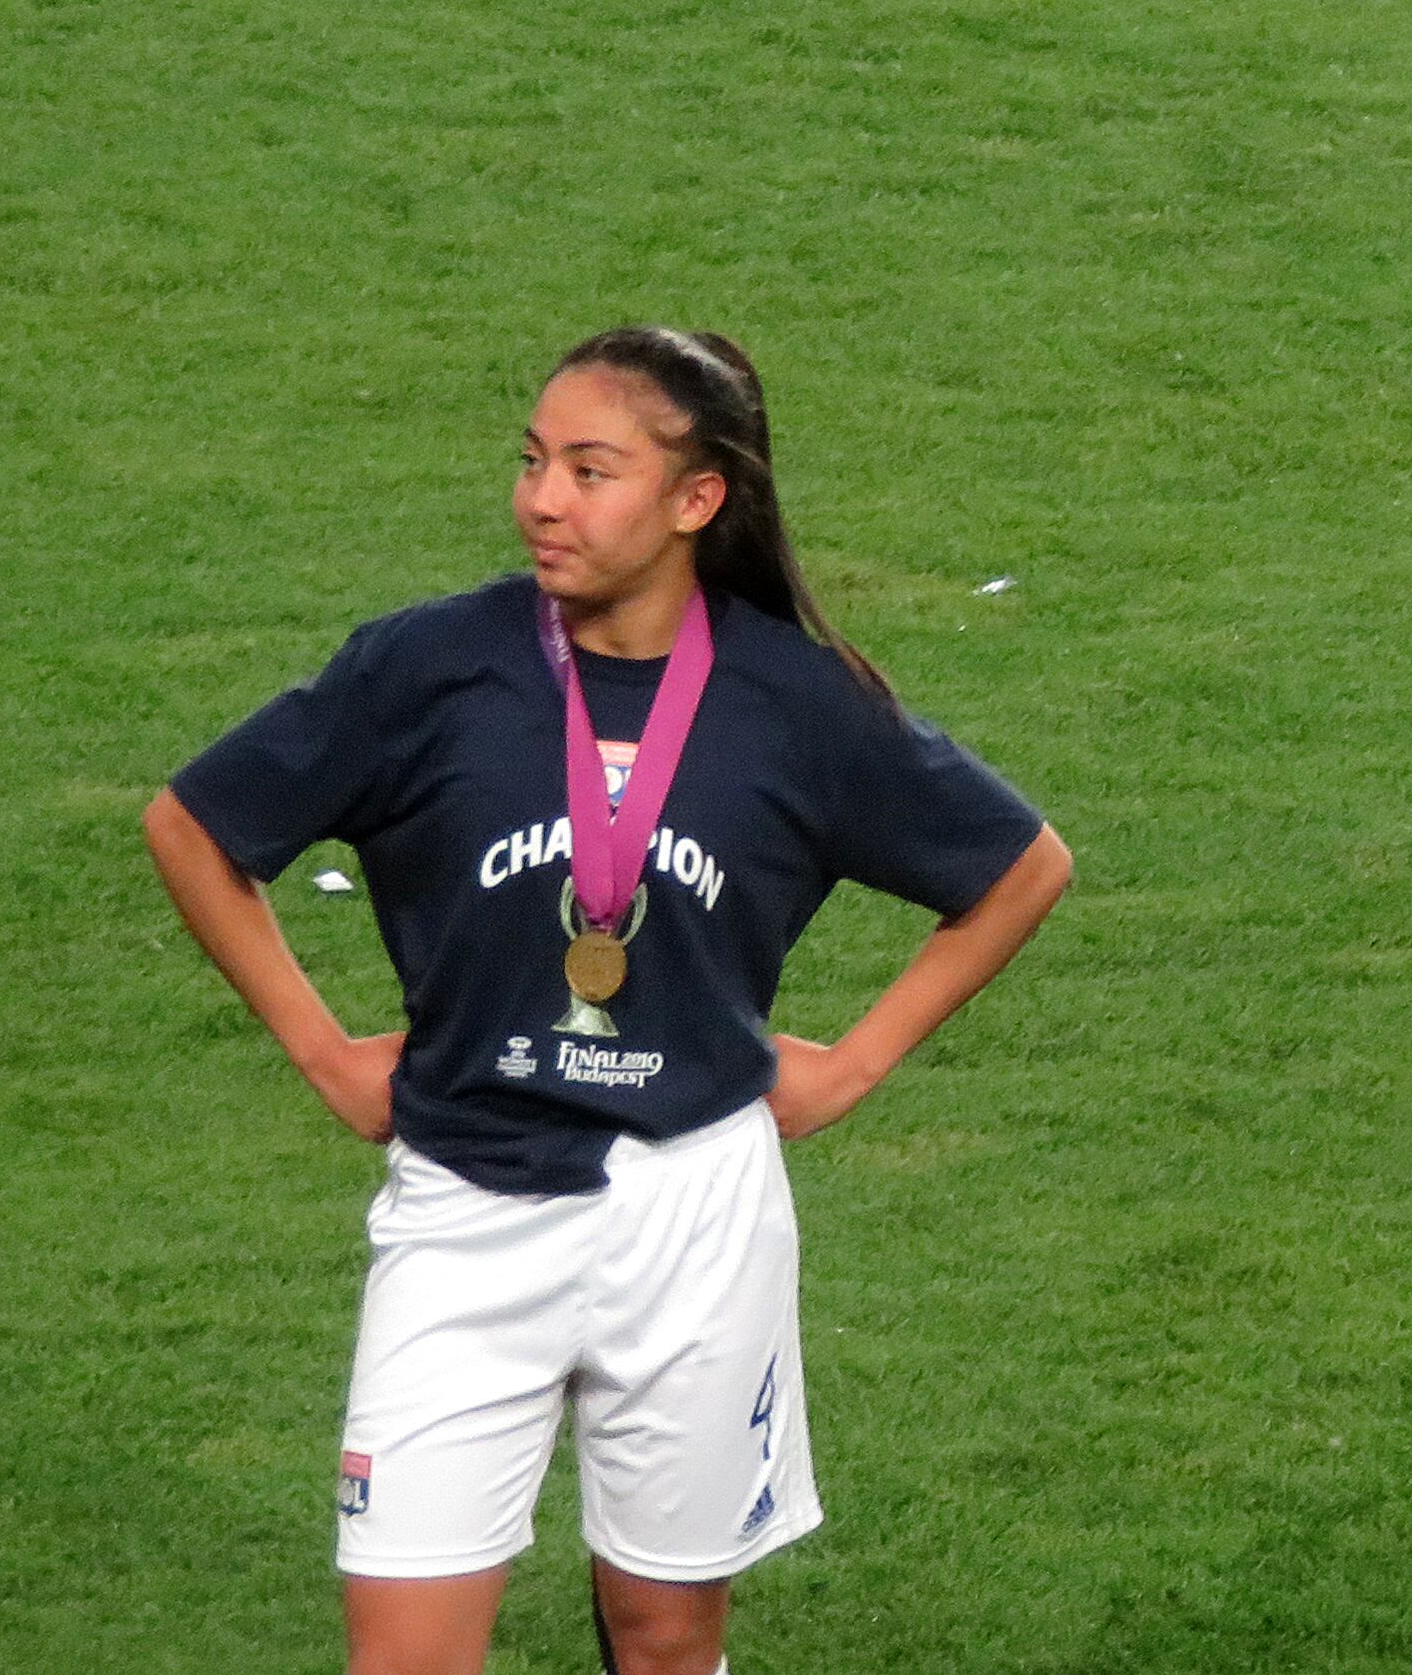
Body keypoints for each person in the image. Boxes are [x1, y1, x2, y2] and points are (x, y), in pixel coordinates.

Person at [142, 328, 1075, 1675]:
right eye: (533, 463)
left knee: (661, 1642)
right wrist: (325, 1052)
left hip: (694, 1213)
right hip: (465, 1209)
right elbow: (195, 826)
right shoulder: (428, 670)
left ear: (698, 500)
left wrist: (854, 1066)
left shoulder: (796, 701)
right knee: (404, 1657)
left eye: (592, 470)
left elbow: (1018, 867)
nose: (542, 500)